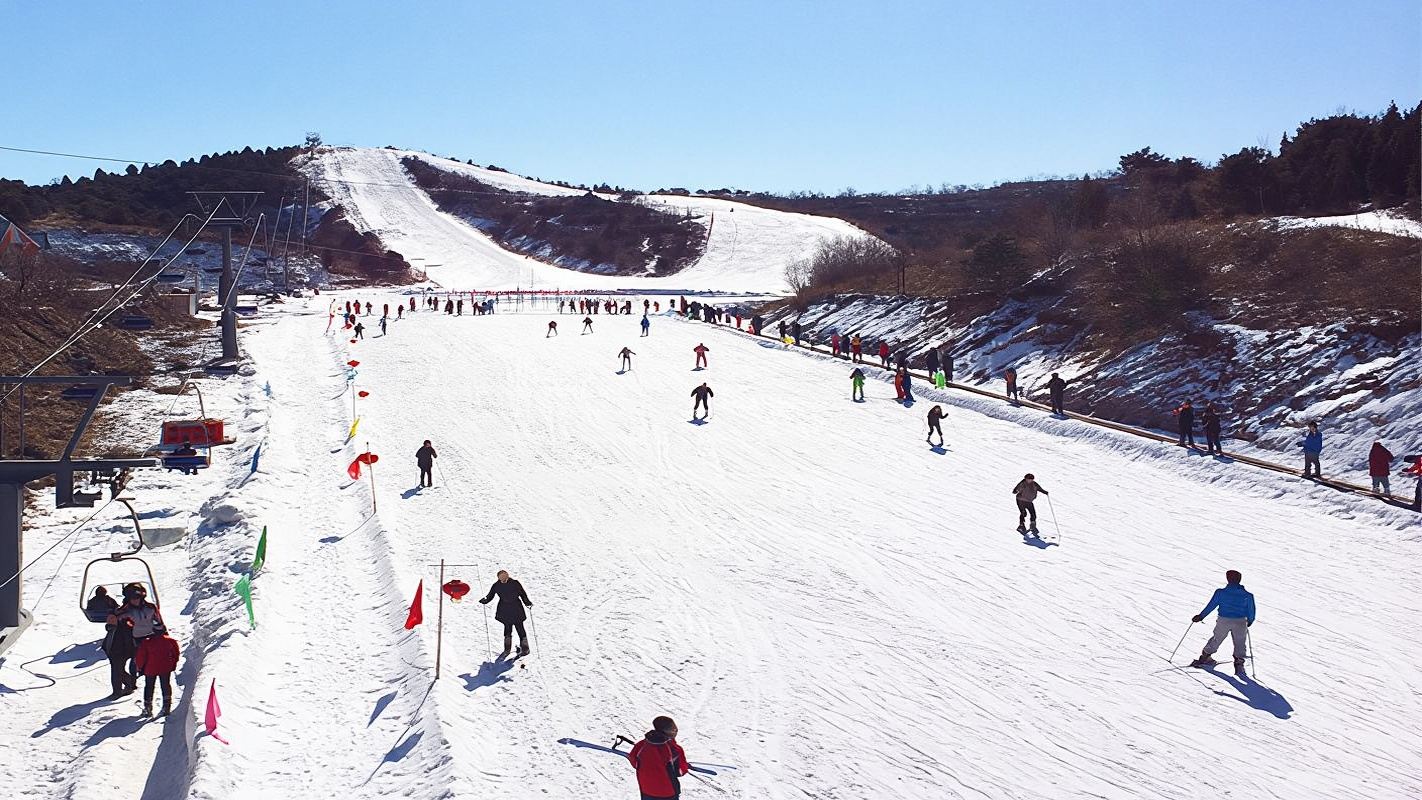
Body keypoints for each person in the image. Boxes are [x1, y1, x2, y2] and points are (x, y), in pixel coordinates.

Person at [1189, 570, 1256, 677]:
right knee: (1240, 642)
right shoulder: (1247, 595)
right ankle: (1239, 664)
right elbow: (1251, 610)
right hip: (1240, 621)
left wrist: (1201, 616)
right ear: (1239, 580)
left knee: (1217, 638)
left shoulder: (1220, 592)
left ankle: (1205, 657)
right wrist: (1250, 620)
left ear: (1228, 579)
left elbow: (1211, 605)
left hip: (1223, 620)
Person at [628, 715, 689, 800]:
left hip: (646, 789)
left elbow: (633, 759)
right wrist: (685, 766)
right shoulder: (674, 750)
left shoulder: (641, 744)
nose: (675, 731)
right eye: (673, 729)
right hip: (668, 793)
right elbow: (680, 771)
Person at [478, 570, 532, 657]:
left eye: (504, 576)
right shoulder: (496, 585)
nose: (503, 578)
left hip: (516, 608)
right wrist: (485, 600)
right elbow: (490, 595)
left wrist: (527, 602)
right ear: (498, 578)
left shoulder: (515, 583)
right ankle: (507, 649)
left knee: (520, 627)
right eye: (501, 576)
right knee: (508, 628)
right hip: (505, 609)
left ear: (507, 575)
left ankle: (525, 648)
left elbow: (522, 594)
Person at [135, 624, 180, 717]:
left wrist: (140, 667)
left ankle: (148, 708)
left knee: (149, 687)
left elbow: (141, 657)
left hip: (150, 668)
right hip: (165, 667)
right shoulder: (171, 641)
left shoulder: (147, 642)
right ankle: (166, 707)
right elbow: (176, 654)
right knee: (165, 685)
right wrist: (173, 665)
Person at [104, 594, 138, 699]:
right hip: (120, 647)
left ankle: (118, 691)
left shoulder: (123, 617)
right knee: (118, 669)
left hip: (119, 647)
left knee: (116, 670)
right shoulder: (126, 615)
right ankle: (129, 684)